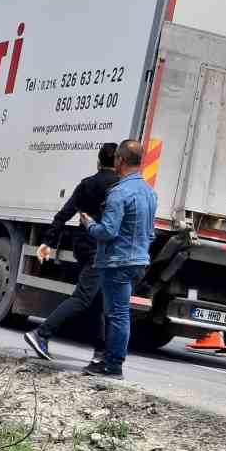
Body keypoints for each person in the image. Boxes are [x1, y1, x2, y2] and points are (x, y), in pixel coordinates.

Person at [24, 143, 120, 366]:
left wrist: (48, 242)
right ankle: (41, 333)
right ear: (118, 162)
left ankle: (100, 351)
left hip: (83, 246)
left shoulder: (86, 184)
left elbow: (63, 215)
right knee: (84, 297)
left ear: (98, 162)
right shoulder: (119, 187)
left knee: (99, 300)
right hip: (102, 250)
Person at [78, 138, 158, 379]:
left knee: (117, 314)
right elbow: (151, 233)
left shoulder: (119, 193)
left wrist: (89, 224)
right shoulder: (150, 193)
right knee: (118, 312)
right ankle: (109, 362)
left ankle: (113, 365)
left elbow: (108, 231)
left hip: (117, 262)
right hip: (138, 261)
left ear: (120, 160)